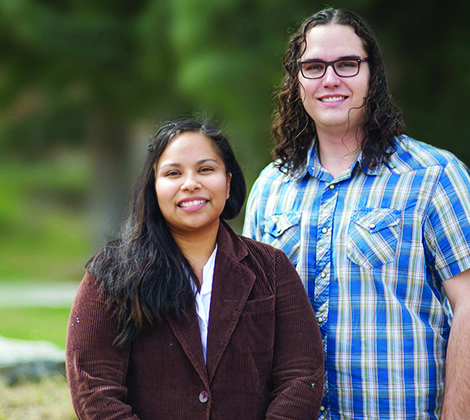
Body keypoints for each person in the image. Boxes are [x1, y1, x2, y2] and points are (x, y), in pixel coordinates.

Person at [243, 8, 470, 420]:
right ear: (297, 83)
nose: (330, 79)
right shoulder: (271, 186)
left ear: (372, 74)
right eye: (313, 66)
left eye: (346, 64)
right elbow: (253, 321)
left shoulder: (434, 176)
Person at [66, 119, 324, 420]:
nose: (190, 183)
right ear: (154, 187)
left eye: (205, 170)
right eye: (173, 173)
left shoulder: (272, 268)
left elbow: (302, 373)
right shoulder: (111, 273)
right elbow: (94, 385)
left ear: (228, 183)